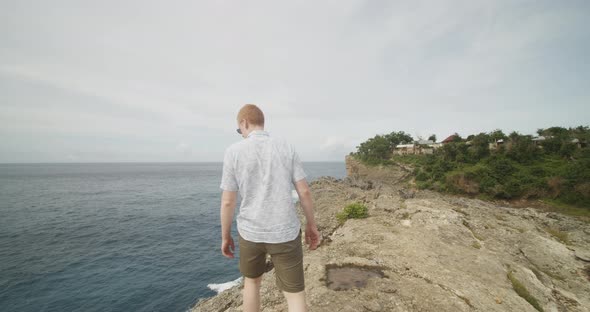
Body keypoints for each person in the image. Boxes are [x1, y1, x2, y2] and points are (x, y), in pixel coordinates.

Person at [219, 104, 320, 312]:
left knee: (252, 283)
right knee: (294, 293)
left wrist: (225, 235)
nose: (241, 134)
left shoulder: (233, 152)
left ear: (244, 123)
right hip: (285, 231)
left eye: (240, 131)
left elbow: (228, 201)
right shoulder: (286, 147)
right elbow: (304, 192)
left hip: (250, 232)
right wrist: (312, 226)